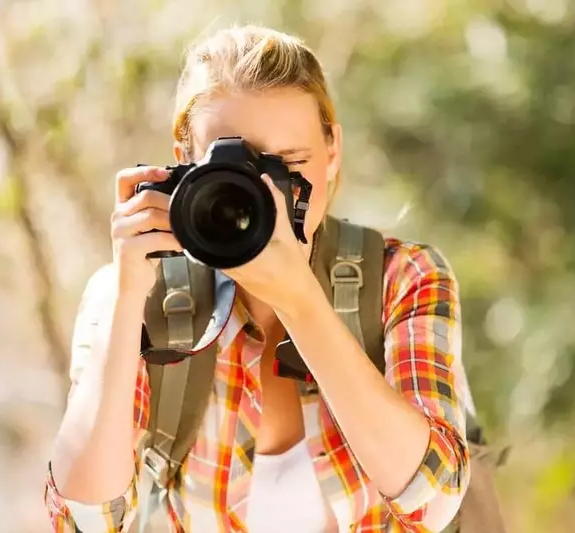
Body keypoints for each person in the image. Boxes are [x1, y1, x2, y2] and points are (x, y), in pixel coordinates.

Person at [44, 24, 471, 532]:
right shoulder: (139, 294)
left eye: (290, 164)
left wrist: (300, 301)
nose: (267, 195)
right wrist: (127, 295)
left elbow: (433, 499)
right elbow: (85, 521)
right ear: (185, 164)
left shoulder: (402, 279)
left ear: (332, 150)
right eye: (238, 171)